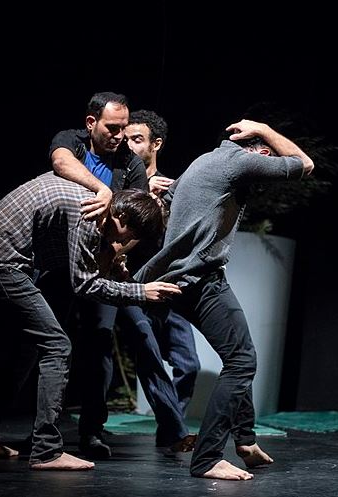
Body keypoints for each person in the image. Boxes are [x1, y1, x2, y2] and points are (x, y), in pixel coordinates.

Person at [134, 118, 315, 480]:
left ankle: (245, 440)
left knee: (235, 354)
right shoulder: (239, 161)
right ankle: (208, 458)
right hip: (199, 279)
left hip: (180, 279)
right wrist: (264, 128)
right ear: (261, 154)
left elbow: (166, 203)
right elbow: (304, 165)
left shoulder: (204, 160)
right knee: (242, 360)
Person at [0, 173, 181, 471]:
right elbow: (86, 286)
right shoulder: (91, 216)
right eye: (126, 237)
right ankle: (46, 451)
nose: (121, 243)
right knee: (57, 345)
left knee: (27, 350)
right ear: (122, 217)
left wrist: (117, 267)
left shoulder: (98, 207)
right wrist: (141, 292)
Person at [47, 94, 194, 457]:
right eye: (113, 128)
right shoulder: (72, 142)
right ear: (91, 123)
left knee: (112, 341)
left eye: (125, 129)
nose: (119, 136)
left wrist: (110, 257)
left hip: (107, 266)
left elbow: (136, 225)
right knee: (38, 344)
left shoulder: (129, 163)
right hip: (57, 261)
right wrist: (103, 190)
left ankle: (96, 432)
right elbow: (60, 161)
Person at [119, 110, 200, 449]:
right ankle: (176, 432)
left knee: (189, 364)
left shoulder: (172, 188)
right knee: (148, 354)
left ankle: (168, 430)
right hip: (131, 286)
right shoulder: (120, 184)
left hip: (168, 288)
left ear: (156, 144)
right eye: (125, 139)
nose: (128, 145)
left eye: (137, 139)